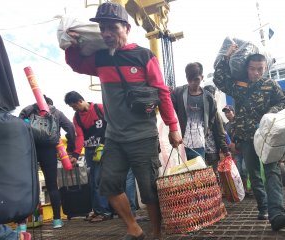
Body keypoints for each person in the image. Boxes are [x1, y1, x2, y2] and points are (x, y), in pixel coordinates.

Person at [64, 2, 182, 239]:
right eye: (103, 29)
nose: (107, 34)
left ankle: (157, 233)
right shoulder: (100, 59)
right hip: (114, 138)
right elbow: (76, 64)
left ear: (127, 28)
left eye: (112, 28)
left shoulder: (144, 56)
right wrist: (72, 44)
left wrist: (173, 126)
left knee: (149, 190)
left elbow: (162, 92)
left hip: (142, 137)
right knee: (108, 185)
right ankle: (134, 227)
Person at [214, 52, 285, 231]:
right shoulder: (238, 86)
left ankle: (277, 213)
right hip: (247, 137)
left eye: (260, 69)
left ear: (265, 69)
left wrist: (269, 113)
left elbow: (284, 101)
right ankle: (263, 207)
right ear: (246, 69)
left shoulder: (270, 85)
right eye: (252, 69)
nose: (256, 73)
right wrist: (226, 58)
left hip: (266, 135)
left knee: (272, 172)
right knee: (254, 174)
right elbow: (219, 80)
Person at [19, 95, 76, 229]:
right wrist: (70, 148)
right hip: (49, 151)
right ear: (50, 103)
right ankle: (57, 220)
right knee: (52, 185)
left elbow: (18, 128)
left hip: (31, 150)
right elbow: (71, 128)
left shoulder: (28, 110)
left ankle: (22, 224)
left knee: (28, 186)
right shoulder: (56, 112)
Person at [64, 91, 113, 222]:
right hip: (90, 151)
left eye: (74, 106)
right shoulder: (77, 117)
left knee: (99, 180)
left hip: (104, 149)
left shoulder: (100, 108)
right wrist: (75, 154)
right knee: (91, 181)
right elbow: (80, 136)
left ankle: (105, 212)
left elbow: (112, 123)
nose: (74, 109)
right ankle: (97, 210)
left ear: (80, 101)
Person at [171, 63, 230, 165]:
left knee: (198, 174)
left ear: (202, 77)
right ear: (186, 78)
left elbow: (212, 117)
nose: (193, 83)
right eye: (190, 80)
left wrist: (206, 131)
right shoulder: (178, 93)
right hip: (180, 143)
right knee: (182, 175)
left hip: (199, 143)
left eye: (196, 79)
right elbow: (170, 109)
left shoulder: (208, 98)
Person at [222, 105, 249, 192]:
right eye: (226, 113)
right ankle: (243, 189)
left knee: (245, 169)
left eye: (229, 112)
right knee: (239, 171)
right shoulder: (226, 126)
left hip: (245, 150)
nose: (227, 114)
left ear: (233, 112)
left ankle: (249, 187)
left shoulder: (240, 122)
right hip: (235, 152)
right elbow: (226, 139)